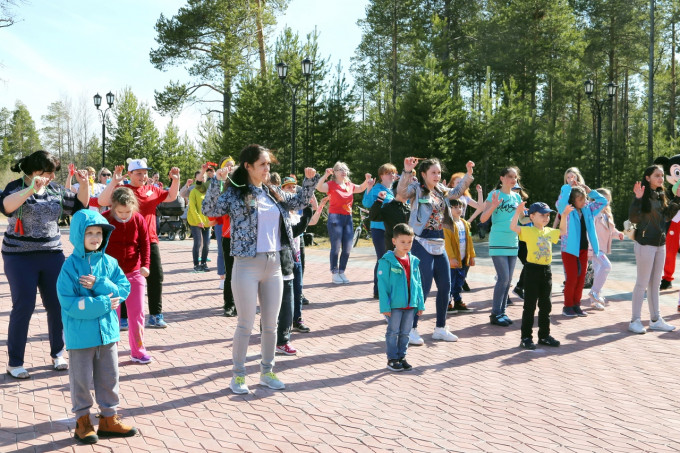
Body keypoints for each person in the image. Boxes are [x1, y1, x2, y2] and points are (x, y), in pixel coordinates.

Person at [202, 144, 319, 394]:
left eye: (268, 164)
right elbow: (209, 209)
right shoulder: (235, 194)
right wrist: (216, 182)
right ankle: (238, 376)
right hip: (246, 265)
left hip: (274, 264)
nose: (267, 168)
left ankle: (267, 372)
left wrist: (309, 182)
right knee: (245, 323)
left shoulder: (273, 192)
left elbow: (299, 201)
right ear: (248, 166)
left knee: (271, 325)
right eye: (262, 164)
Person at [1, 150, 90, 379]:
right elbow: (6, 207)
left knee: (57, 304)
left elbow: (80, 206)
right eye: (47, 172)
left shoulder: (56, 190)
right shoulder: (16, 186)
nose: (51, 177)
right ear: (34, 170)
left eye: (53, 173)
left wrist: (84, 185)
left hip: (52, 254)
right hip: (19, 256)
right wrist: (31, 189)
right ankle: (15, 362)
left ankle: (58, 353)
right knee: (24, 306)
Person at [56, 210, 137, 444]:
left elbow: (123, 290)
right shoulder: (69, 267)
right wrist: (104, 303)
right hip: (80, 336)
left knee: (109, 377)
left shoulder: (110, 262)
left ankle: (109, 419)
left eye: (99, 233)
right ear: (77, 235)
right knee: (81, 380)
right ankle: (82, 421)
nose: (95, 238)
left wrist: (100, 283)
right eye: (89, 233)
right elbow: (69, 303)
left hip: (107, 334)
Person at [398, 157, 474, 344]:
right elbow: (401, 193)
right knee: (423, 287)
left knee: (445, 286)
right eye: (433, 172)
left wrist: (468, 175)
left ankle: (440, 328)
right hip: (421, 241)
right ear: (423, 174)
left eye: (439, 172)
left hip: (439, 241)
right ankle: (411, 329)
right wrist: (406, 171)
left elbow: (457, 192)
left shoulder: (441, 190)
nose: (437, 175)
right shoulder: (417, 188)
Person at [98, 158, 180, 329]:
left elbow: (172, 196)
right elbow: (103, 201)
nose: (143, 176)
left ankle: (156, 315)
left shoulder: (152, 189)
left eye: (145, 173)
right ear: (130, 174)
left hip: (150, 239)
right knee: (123, 277)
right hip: (127, 242)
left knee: (155, 276)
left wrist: (176, 180)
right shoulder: (123, 190)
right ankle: (123, 317)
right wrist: (114, 181)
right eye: (139, 173)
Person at [102, 187, 152, 364]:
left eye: (128, 212)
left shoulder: (138, 219)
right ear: (113, 207)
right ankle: (110, 351)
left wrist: (146, 265)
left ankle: (138, 350)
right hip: (110, 276)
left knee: (137, 313)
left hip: (134, 272)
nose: (124, 216)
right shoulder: (105, 219)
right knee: (112, 314)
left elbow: (145, 243)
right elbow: (98, 245)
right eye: (120, 212)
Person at [510, 202, 566, 350]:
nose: (546, 218)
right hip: (532, 271)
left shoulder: (549, 231)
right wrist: (517, 212)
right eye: (542, 215)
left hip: (546, 271)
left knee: (546, 305)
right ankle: (526, 337)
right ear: (532, 216)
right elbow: (513, 227)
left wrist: (565, 215)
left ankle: (544, 336)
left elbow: (562, 231)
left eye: (548, 215)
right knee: (529, 306)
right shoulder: (528, 231)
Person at [628, 165, 677, 334]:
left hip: (660, 244)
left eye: (662, 175)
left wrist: (677, 199)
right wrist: (637, 199)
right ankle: (634, 321)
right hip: (645, 244)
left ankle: (655, 320)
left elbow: (666, 217)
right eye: (657, 175)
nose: (661, 178)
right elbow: (633, 218)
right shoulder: (642, 195)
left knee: (655, 284)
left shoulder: (661, 195)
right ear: (648, 178)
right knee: (642, 283)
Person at [479, 167, 525, 327]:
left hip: (513, 241)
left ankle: (502, 312)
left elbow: (523, 220)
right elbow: (483, 218)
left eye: (515, 177)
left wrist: (537, 217)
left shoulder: (517, 197)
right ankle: (495, 313)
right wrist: (493, 205)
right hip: (498, 240)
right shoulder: (494, 195)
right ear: (502, 178)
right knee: (503, 278)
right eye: (510, 176)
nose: (513, 180)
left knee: (508, 280)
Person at [555, 179, 607, 317]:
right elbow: (560, 203)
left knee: (581, 279)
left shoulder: (588, 209)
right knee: (572, 278)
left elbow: (603, 201)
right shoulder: (567, 209)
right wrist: (568, 187)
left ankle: (576, 305)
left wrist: (590, 191)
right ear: (573, 200)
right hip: (569, 250)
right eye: (580, 199)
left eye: (585, 198)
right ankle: (567, 306)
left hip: (583, 249)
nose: (584, 201)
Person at [316, 161, 374, 284]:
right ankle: (334, 272)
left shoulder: (349, 185)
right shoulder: (331, 185)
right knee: (336, 247)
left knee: (347, 248)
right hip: (335, 218)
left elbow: (361, 188)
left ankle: (342, 271)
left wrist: (366, 180)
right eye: (340, 169)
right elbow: (319, 187)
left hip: (348, 218)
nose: (344, 172)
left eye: (345, 169)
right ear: (334, 172)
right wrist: (325, 175)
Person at [378, 223, 424, 371]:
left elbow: (418, 284)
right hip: (394, 305)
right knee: (393, 332)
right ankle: (392, 359)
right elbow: (382, 286)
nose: (406, 245)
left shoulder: (414, 261)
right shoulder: (387, 261)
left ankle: (402, 357)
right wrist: (385, 306)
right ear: (394, 241)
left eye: (409, 242)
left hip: (410, 305)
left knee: (405, 333)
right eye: (402, 241)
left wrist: (420, 303)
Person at [275, 176, 314, 355]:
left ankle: (284, 338)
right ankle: (268, 332)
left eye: (293, 188)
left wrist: (308, 211)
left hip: (290, 260)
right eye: (287, 187)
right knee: (274, 302)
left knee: (291, 298)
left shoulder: (290, 210)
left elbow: (296, 230)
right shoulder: (273, 208)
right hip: (270, 261)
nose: (291, 190)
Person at [363, 163, 399, 298]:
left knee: (393, 258)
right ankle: (378, 290)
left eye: (393, 173)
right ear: (381, 176)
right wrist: (369, 188)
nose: (391, 175)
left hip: (393, 229)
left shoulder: (396, 189)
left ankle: (391, 288)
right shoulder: (377, 188)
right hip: (379, 229)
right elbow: (367, 204)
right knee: (383, 258)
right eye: (388, 173)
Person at [588, 188, 624, 310]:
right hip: (594, 248)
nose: (606, 203)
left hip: (602, 248)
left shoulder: (607, 215)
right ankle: (594, 292)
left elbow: (611, 230)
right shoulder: (594, 214)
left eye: (608, 200)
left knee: (599, 272)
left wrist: (618, 234)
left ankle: (594, 299)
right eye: (604, 200)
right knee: (606, 266)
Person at [444, 199, 475, 313]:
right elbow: (447, 243)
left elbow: (469, 240)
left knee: (460, 282)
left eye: (460, 207)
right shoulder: (447, 225)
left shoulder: (465, 223)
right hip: (453, 260)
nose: (459, 209)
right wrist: (451, 258)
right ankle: (447, 303)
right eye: (455, 207)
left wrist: (471, 255)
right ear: (449, 209)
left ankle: (458, 302)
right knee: (450, 282)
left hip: (463, 259)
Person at [188, 165, 214, 272]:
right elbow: (192, 208)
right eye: (200, 177)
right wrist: (198, 221)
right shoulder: (194, 191)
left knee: (206, 244)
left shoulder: (209, 190)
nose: (202, 178)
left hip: (207, 222)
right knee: (198, 243)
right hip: (195, 222)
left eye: (204, 177)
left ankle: (203, 263)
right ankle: (196, 264)